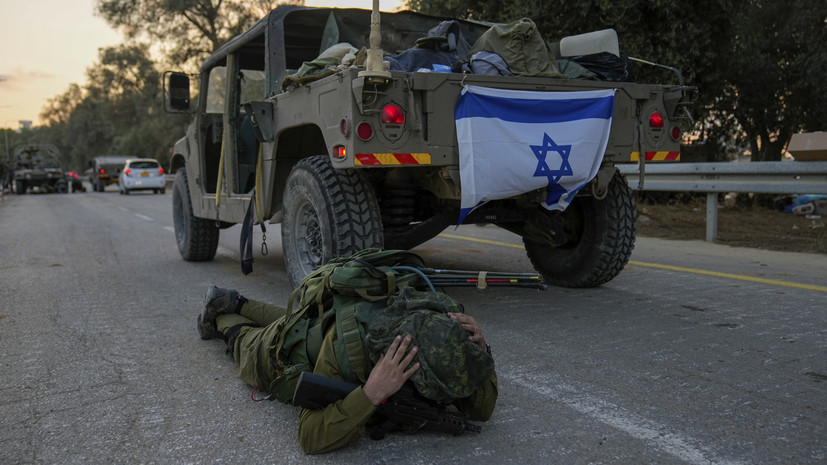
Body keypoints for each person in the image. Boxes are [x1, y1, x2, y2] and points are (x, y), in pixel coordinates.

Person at [197, 285, 498, 454]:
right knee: (247, 343)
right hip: (291, 347)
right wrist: (371, 394)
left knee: (294, 319)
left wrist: (480, 352)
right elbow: (309, 437)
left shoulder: (433, 321)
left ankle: (238, 299)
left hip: (320, 321)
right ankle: (221, 311)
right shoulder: (348, 349)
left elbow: (480, 409)